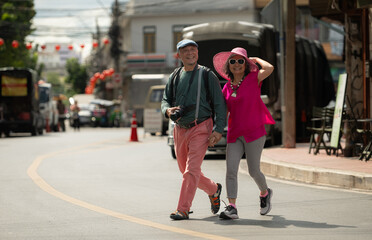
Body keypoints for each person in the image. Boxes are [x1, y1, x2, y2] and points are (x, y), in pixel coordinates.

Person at [161, 39, 227, 220]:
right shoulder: (175, 76)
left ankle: (183, 209)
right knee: (187, 171)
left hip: (201, 127)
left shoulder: (207, 75)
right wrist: (167, 110)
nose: (190, 53)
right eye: (185, 51)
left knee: (191, 170)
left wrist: (218, 129)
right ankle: (214, 189)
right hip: (180, 128)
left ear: (197, 53)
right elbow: (165, 99)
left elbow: (220, 104)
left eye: (193, 50)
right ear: (179, 55)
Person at [213, 47, 275, 220]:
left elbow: (269, 68)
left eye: (241, 61)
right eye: (232, 61)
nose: (237, 64)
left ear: (246, 64)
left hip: (255, 131)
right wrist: (217, 131)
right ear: (228, 66)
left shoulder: (254, 78)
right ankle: (232, 206)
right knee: (230, 170)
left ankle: (264, 193)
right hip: (235, 134)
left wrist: (255, 59)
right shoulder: (226, 87)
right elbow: (223, 112)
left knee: (254, 170)